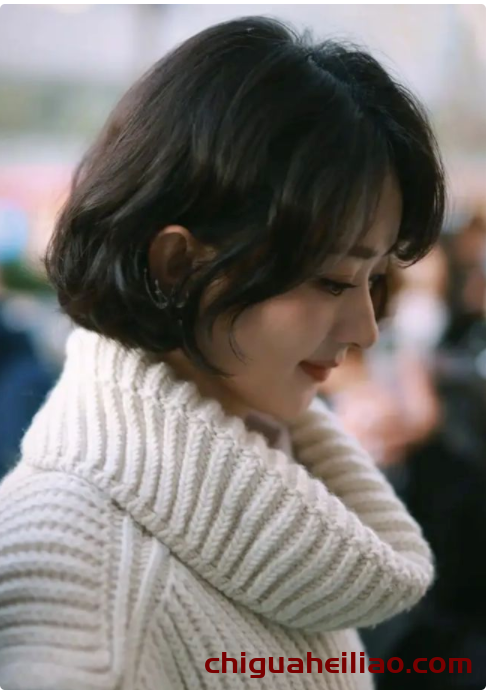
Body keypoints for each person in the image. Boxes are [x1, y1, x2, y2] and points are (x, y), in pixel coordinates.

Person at [0, 17, 446, 690]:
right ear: (178, 263)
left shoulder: (281, 511)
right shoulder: (89, 604)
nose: (364, 328)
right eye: (331, 279)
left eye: (375, 278)